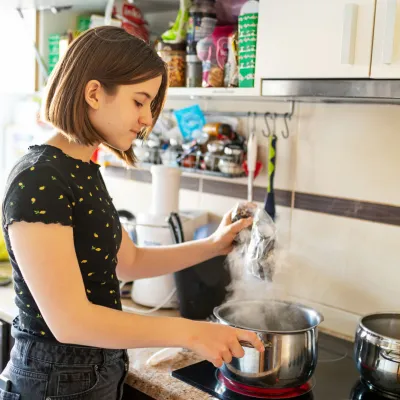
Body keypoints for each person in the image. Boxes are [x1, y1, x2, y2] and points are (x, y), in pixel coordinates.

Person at [0, 26, 263, 400]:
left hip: (92, 371)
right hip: (52, 379)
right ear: (94, 92)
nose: (147, 120)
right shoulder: (40, 177)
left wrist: (213, 246)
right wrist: (191, 332)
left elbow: (129, 261)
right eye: (140, 102)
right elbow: (70, 322)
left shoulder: (82, 169)